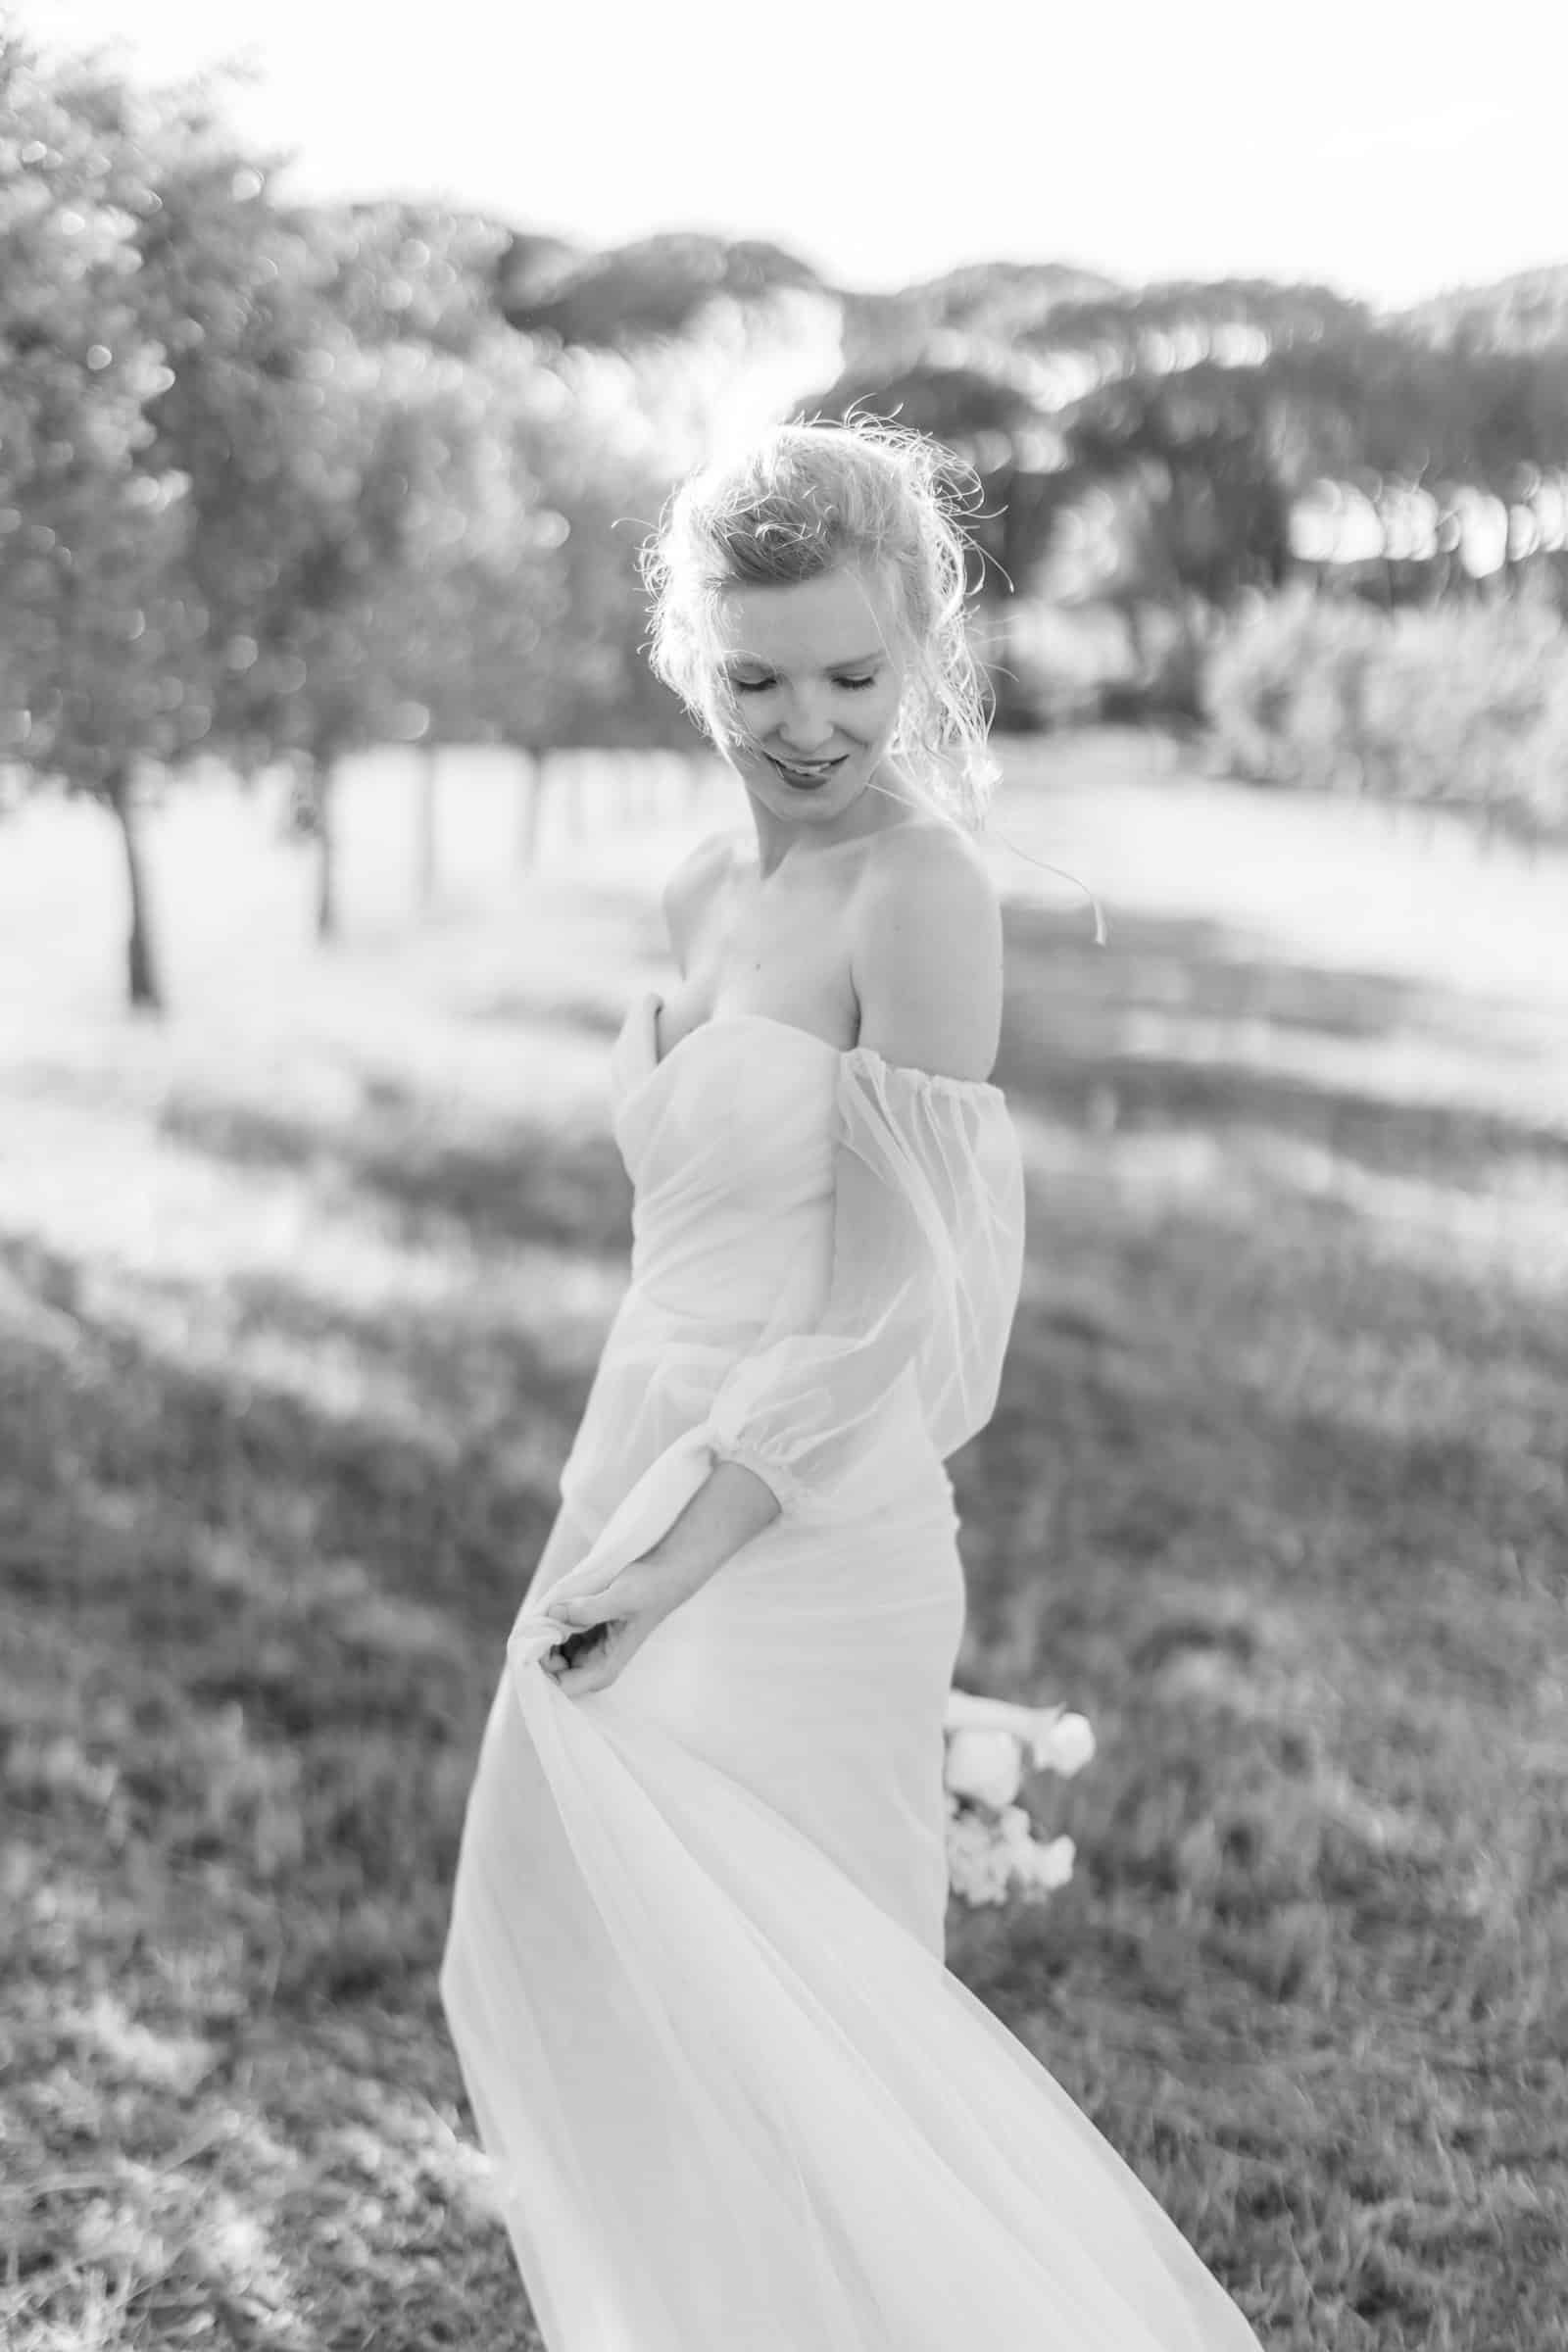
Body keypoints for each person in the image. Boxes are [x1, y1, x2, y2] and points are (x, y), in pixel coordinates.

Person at [439, 416, 1265, 2350]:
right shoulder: (683, 895)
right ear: (681, 656)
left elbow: (889, 1305)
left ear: (916, 645)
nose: (805, 722)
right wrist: (625, 1519)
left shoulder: (920, 893)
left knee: (800, 2013)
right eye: (753, 677)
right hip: (638, 1460)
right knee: (637, 1977)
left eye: (849, 674)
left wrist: (670, 1557)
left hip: (795, 1522)